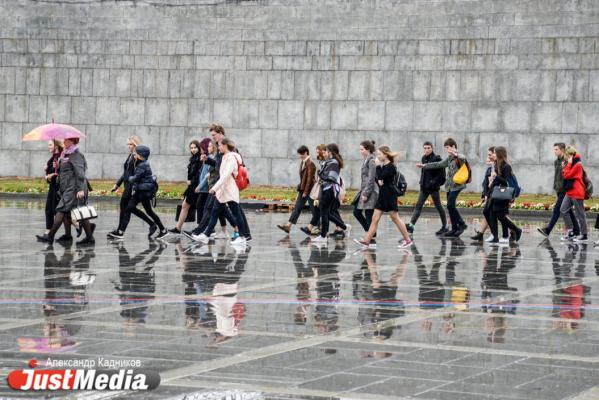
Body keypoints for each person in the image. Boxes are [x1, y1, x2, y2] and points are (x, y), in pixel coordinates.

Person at [36, 137, 95, 245]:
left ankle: (50, 236)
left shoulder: (76, 155)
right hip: (67, 188)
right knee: (81, 213)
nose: (63, 141)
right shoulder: (65, 154)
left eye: (66, 140)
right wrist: (58, 166)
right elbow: (66, 171)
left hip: (74, 189)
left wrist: (81, 189)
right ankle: (90, 237)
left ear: (72, 141)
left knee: (61, 210)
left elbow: (80, 173)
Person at [192, 138, 249, 246]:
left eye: (220, 146)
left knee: (236, 213)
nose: (218, 148)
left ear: (225, 146)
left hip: (230, 190)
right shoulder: (225, 157)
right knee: (214, 212)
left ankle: (242, 237)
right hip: (223, 190)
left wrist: (214, 188)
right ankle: (206, 236)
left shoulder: (231, 158)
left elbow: (225, 176)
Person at [354, 146, 413, 249]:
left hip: (390, 196)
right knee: (374, 219)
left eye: (379, 154)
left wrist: (377, 167)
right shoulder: (383, 167)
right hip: (382, 196)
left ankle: (408, 240)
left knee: (395, 218)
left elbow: (381, 178)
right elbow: (379, 180)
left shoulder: (391, 167)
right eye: (377, 154)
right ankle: (366, 241)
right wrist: (380, 176)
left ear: (385, 155)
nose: (377, 156)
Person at [108, 145, 168, 240]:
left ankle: (120, 232)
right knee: (149, 211)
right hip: (141, 191)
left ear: (140, 155)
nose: (134, 154)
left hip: (142, 192)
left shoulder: (142, 165)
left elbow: (135, 178)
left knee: (128, 209)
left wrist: (130, 178)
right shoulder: (140, 163)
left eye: (136, 153)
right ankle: (163, 230)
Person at [417, 138, 468, 237]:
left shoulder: (459, 157)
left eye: (448, 148)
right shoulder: (449, 158)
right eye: (446, 148)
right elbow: (439, 164)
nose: (447, 150)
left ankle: (461, 224)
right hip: (449, 186)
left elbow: (463, 158)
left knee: (450, 205)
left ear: (453, 147)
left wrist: (456, 154)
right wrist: (425, 165)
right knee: (450, 207)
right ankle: (454, 229)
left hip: (457, 186)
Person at [538, 143, 580, 239]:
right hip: (559, 189)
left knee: (557, 209)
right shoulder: (556, 162)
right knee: (567, 210)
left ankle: (548, 230)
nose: (554, 151)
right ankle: (577, 231)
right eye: (554, 149)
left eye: (556, 149)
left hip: (565, 190)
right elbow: (557, 176)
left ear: (562, 150)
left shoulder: (566, 161)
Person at [406, 141, 448, 235]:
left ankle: (445, 226)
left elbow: (441, 174)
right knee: (418, 206)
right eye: (425, 148)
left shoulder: (437, 158)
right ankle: (411, 226)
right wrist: (422, 183)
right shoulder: (423, 158)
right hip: (424, 187)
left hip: (433, 188)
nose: (426, 150)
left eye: (428, 148)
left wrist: (433, 182)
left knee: (438, 206)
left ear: (432, 148)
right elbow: (424, 173)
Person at [311, 143, 348, 244]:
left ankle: (324, 236)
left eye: (326, 151)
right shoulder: (329, 162)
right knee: (325, 212)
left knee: (324, 212)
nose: (324, 153)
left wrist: (320, 174)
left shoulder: (334, 163)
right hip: (326, 189)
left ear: (330, 152)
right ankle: (342, 227)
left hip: (330, 190)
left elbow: (331, 178)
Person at [487, 146, 522, 245]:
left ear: (499, 154)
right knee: (496, 214)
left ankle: (516, 230)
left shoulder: (506, 166)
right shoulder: (499, 165)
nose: (493, 154)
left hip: (503, 194)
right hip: (498, 193)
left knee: (501, 216)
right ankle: (502, 236)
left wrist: (496, 176)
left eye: (495, 152)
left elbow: (506, 182)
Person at [277, 145, 317, 234]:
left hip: (310, 190)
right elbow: (304, 178)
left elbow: (310, 179)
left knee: (314, 210)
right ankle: (288, 226)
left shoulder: (310, 163)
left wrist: (306, 192)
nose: (300, 156)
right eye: (300, 154)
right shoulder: (303, 162)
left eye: (302, 154)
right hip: (303, 189)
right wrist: (301, 187)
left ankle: (319, 227)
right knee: (297, 208)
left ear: (306, 152)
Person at [167, 140, 203, 236]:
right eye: (191, 148)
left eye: (195, 147)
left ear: (199, 148)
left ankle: (203, 230)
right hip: (191, 186)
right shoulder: (193, 158)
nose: (193, 149)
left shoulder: (200, 158)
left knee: (195, 207)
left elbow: (200, 173)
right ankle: (178, 228)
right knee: (186, 206)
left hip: (196, 186)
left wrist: (192, 181)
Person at [352, 140, 378, 244]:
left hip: (370, 191)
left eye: (362, 149)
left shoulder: (371, 160)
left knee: (367, 214)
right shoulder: (366, 159)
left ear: (368, 149)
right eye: (360, 149)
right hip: (365, 189)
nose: (360, 151)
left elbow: (371, 179)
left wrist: (366, 194)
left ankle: (370, 236)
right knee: (357, 212)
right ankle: (370, 233)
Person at [560, 147, 588, 242]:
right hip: (570, 191)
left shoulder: (577, 165)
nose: (566, 158)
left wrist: (568, 164)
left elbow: (567, 175)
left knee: (580, 214)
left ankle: (584, 235)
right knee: (563, 209)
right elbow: (565, 175)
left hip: (577, 191)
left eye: (567, 156)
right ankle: (570, 232)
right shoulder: (571, 164)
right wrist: (565, 167)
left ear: (571, 155)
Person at [300, 144, 327, 237]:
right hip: (321, 187)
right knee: (319, 209)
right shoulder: (321, 161)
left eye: (318, 151)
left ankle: (340, 227)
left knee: (326, 211)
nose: (317, 153)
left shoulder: (326, 162)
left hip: (325, 188)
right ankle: (311, 227)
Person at [42, 140, 63, 236]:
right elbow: (50, 174)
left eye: (50, 145)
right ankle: (48, 230)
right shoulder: (53, 158)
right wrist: (47, 172)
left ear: (56, 146)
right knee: (49, 209)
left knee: (57, 211)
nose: (48, 147)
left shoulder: (59, 157)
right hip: (53, 187)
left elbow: (59, 173)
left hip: (57, 188)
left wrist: (50, 175)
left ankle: (79, 225)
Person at [194, 138, 213, 223]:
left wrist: (200, 186)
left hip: (205, 188)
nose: (200, 150)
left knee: (201, 206)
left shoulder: (210, 159)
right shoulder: (206, 158)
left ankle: (203, 228)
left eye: (202, 148)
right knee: (201, 206)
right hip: (203, 187)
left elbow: (207, 175)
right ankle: (202, 228)